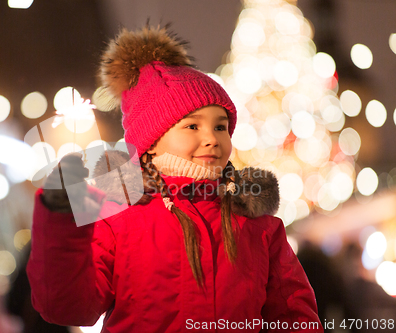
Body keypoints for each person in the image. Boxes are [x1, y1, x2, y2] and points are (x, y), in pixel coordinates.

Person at [27, 25, 322, 332]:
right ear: (151, 140)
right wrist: (61, 223)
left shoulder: (258, 226)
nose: (212, 138)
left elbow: (294, 316)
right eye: (192, 127)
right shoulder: (119, 218)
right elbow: (70, 308)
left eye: (220, 127)